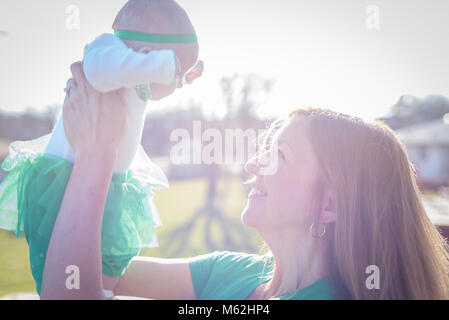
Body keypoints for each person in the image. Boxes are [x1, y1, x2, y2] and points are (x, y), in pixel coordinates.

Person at [41, 62, 449, 300]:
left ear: (329, 205)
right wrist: (133, 97)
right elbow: (91, 276)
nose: (253, 164)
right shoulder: (233, 275)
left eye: (279, 155)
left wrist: (97, 157)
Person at [0, 0, 203, 295]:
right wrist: (163, 66)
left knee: (107, 255)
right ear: (147, 57)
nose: (176, 85)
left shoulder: (134, 70)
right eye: (175, 74)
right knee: (58, 258)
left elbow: (148, 75)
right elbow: (96, 71)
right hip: (65, 179)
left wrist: (181, 72)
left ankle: (99, 290)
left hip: (110, 181)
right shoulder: (105, 49)